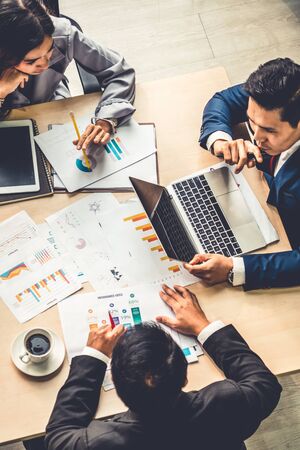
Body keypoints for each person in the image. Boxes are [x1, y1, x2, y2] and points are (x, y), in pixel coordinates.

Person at [45, 284, 281, 450]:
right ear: (184, 378)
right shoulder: (229, 403)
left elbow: (59, 436)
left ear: (117, 386)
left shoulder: (101, 442)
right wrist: (203, 327)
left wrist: (93, 357)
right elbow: (265, 384)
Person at [185, 58, 300, 290]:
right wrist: (220, 141)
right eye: (251, 120)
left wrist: (234, 268)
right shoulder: (280, 95)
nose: (256, 137)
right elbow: (223, 100)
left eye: (269, 130)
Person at [0, 0, 135, 149]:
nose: (45, 64)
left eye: (50, 50)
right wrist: (2, 93)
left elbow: (120, 72)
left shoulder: (61, 33)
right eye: (32, 61)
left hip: (52, 105)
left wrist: (107, 119)